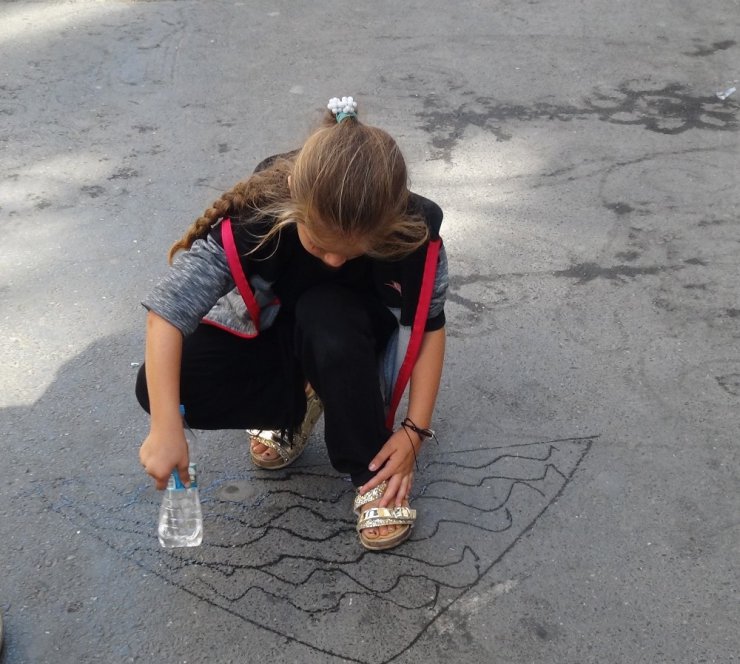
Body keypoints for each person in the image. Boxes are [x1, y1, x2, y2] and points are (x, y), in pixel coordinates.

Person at [137, 96, 448, 551]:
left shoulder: (414, 231)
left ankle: (371, 468)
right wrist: (165, 426)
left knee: (328, 310)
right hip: (279, 333)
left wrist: (414, 432)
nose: (335, 260)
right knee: (159, 383)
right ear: (294, 206)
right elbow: (168, 311)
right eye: (319, 246)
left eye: (353, 250)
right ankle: (297, 405)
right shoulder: (258, 215)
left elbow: (431, 329)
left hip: (350, 341)